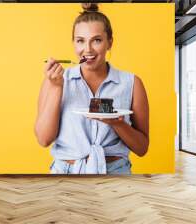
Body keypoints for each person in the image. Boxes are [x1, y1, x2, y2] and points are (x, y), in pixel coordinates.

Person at [35, 3, 149, 174]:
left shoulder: (132, 83)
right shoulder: (55, 80)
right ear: (73, 43)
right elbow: (44, 139)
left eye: (96, 40)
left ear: (109, 42)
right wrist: (57, 88)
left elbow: (142, 148)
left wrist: (117, 123)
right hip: (65, 173)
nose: (87, 49)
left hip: (115, 173)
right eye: (80, 41)